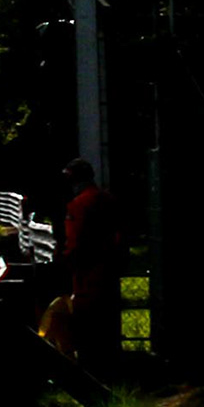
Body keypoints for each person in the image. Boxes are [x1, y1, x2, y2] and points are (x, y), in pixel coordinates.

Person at [43, 158, 123, 370]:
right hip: (110, 268)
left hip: (86, 271)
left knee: (86, 319)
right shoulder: (108, 199)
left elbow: (75, 241)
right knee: (108, 317)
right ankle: (111, 361)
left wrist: (65, 261)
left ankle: (91, 366)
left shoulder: (79, 205)